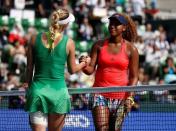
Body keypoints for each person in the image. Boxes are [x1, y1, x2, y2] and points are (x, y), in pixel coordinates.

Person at [23, 8, 88, 131]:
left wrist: (29, 87)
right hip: (59, 95)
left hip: (37, 93)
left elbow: (29, 67)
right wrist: (84, 63)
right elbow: (72, 70)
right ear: (67, 24)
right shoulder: (69, 43)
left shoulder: (33, 39)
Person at [79, 13, 139, 131]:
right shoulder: (98, 45)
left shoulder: (131, 49)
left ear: (124, 28)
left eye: (117, 24)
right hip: (99, 94)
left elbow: (134, 77)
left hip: (121, 97)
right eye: (111, 23)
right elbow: (90, 70)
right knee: (102, 129)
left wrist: (130, 98)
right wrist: (83, 64)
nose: (112, 26)